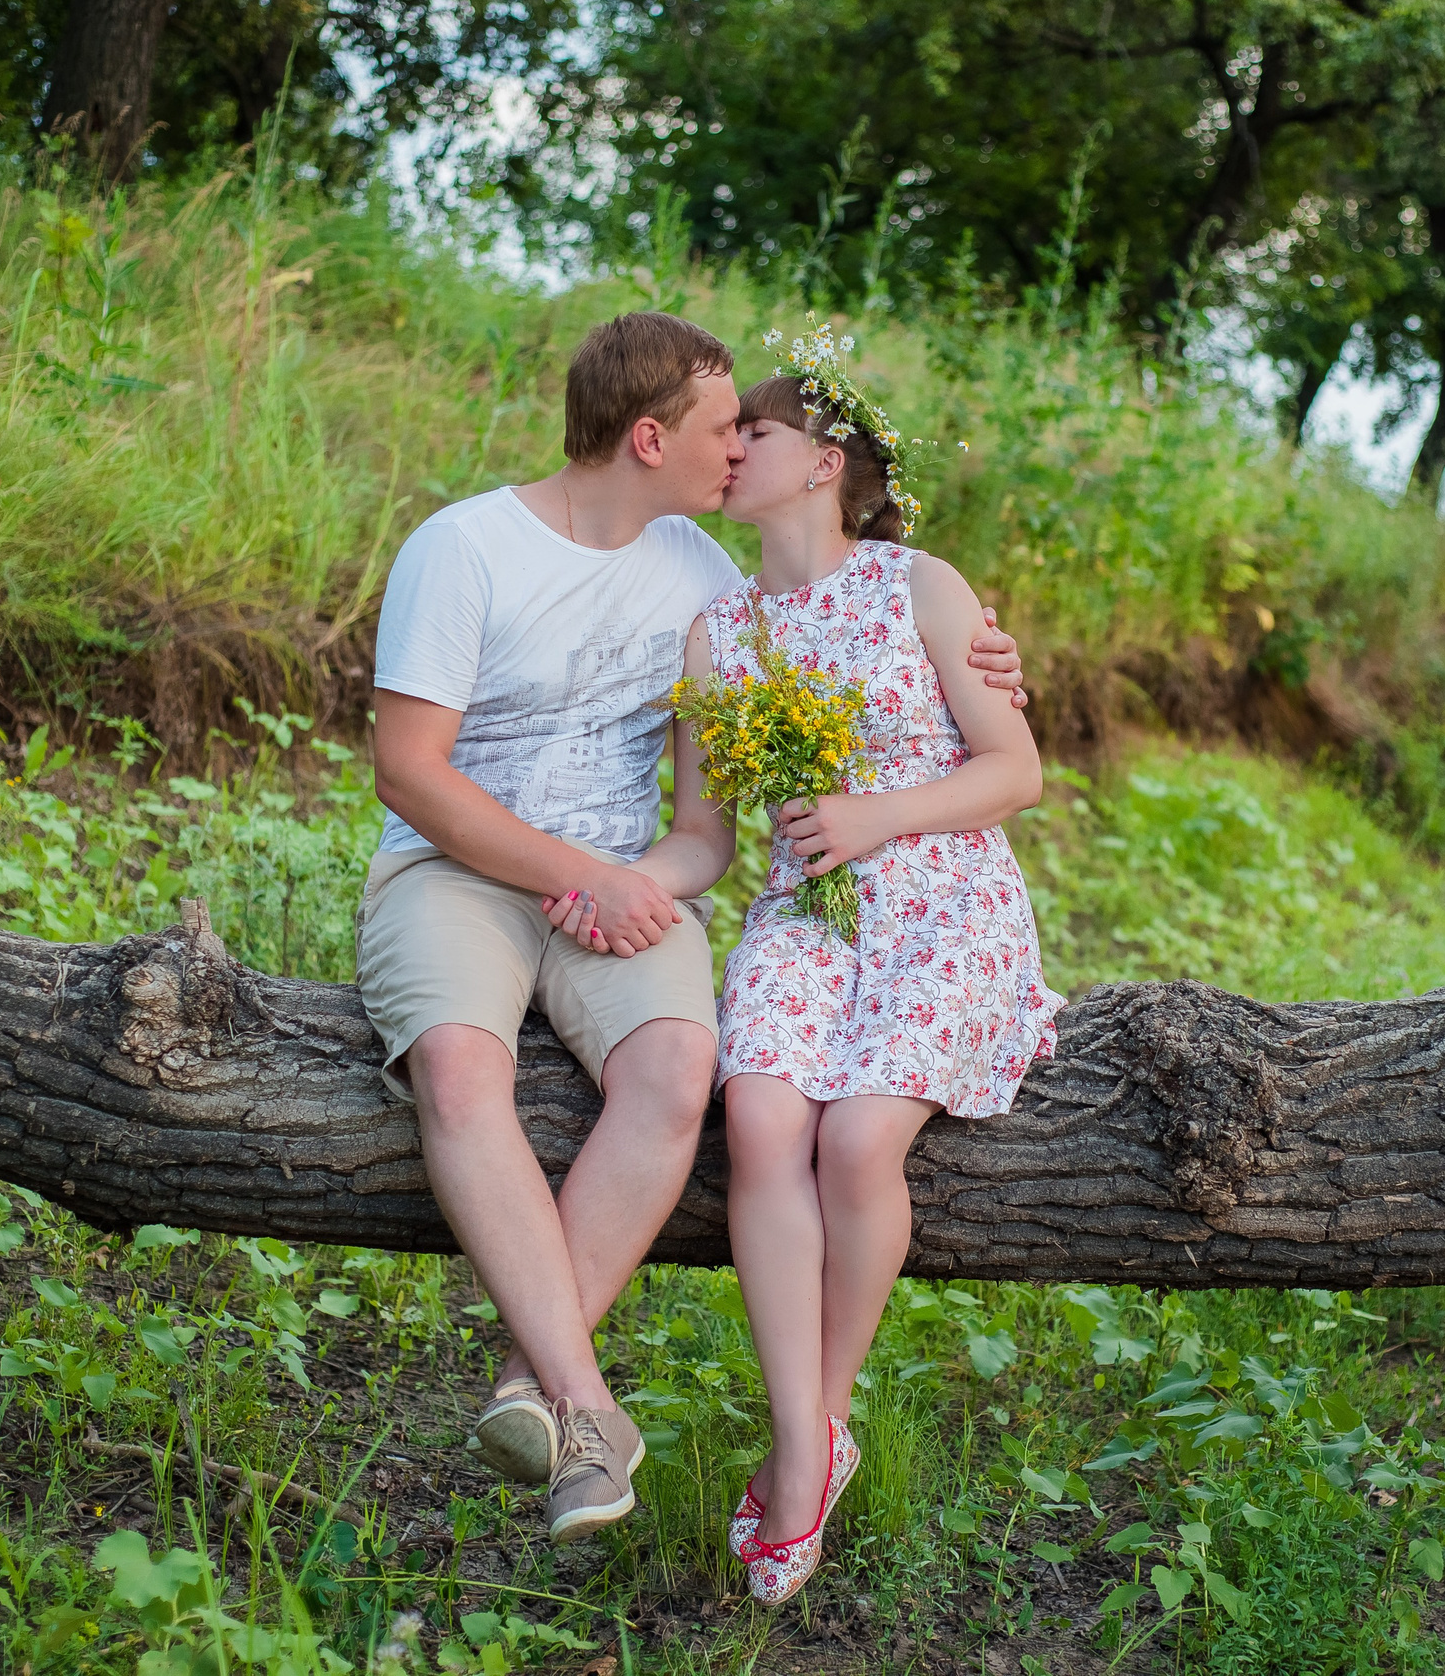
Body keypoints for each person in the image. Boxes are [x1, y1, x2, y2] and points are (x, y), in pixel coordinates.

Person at [357, 312, 1029, 1542]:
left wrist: (986, 657)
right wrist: (581, 873)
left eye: (753, 431)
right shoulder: (463, 548)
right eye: (726, 427)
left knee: (677, 1068)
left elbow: (734, 796)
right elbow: (409, 771)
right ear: (653, 434)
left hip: (639, 885)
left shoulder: (713, 583)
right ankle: (577, 1398)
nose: (737, 450)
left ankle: (542, 1382)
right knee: (461, 1066)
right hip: (457, 870)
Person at [700, 353, 1061, 1603]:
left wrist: (875, 814)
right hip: (807, 913)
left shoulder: (919, 582)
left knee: (857, 1142)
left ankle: (816, 1428)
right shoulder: (719, 628)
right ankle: (808, 1438)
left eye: (755, 426)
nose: (731, 443)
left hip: (946, 898)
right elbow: (705, 832)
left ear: (825, 461)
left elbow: (1013, 770)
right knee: (758, 1115)